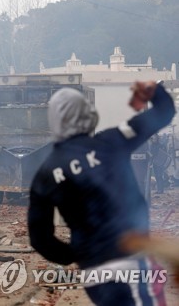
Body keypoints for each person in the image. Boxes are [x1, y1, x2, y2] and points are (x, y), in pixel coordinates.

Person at [28, 80, 174, 306]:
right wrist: (153, 91)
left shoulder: (45, 176)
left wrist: (77, 254)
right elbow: (164, 112)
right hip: (131, 262)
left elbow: (40, 238)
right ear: (87, 113)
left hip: (94, 275)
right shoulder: (111, 141)